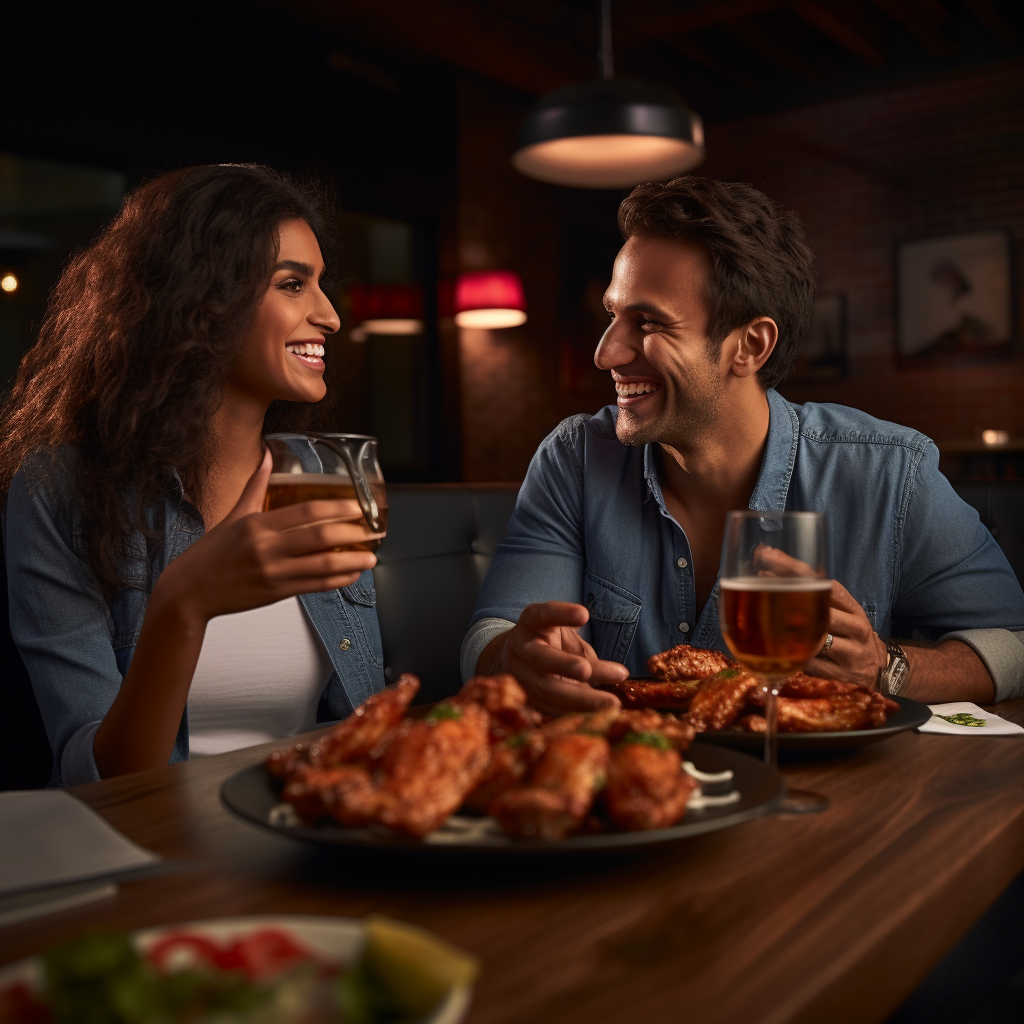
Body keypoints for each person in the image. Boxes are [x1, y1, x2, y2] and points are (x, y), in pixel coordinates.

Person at [463, 176, 1024, 715]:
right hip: (638, 800)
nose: (606, 354)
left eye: (649, 323)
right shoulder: (575, 460)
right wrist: (516, 656)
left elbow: (1014, 641)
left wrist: (887, 668)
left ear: (750, 345)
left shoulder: (888, 471)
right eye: (613, 315)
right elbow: (493, 636)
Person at [1, 164, 385, 786]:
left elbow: (360, 722)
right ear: (203, 300)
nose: (331, 316)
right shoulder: (60, 488)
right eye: (292, 285)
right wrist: (185, 601)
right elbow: (98, 779)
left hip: (308, 832)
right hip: (155, 855)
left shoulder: (322, 473)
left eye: (320, 284)